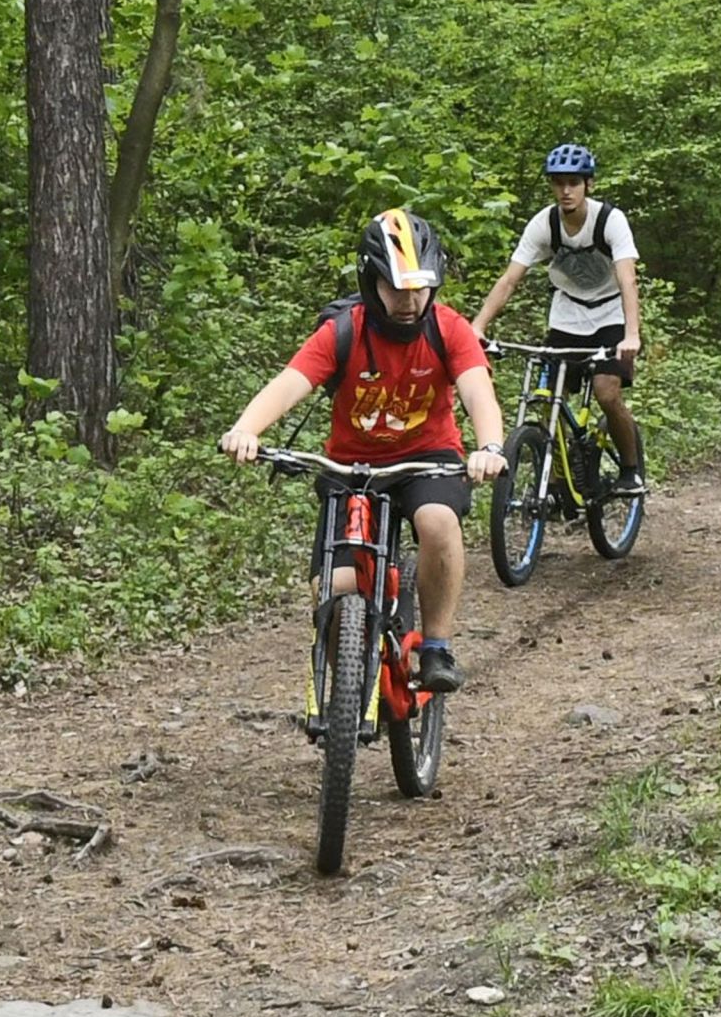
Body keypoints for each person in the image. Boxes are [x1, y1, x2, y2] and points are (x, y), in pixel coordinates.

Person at [220, 209, 506, 693]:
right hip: (350, 468)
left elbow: (478, 391)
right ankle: (352, 688)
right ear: (370, 282)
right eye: (395, 288)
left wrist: (490, 446)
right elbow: (290, 384)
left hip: (427, 457)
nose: (410, 301)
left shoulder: (448, 328)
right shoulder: (344, 332)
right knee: (333, 590)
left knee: (437, 520)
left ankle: (436, 646)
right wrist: (245, 429)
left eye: (419, 287)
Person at [469, 143, 645, 493]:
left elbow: (627, 278)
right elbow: (509, 279)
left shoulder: (610, 220)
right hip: (567, 316)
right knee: (549, 397)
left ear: (588, 185)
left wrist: (632, 334)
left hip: (610, 315)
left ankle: (630, 470)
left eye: (573, 183)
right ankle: (560, 474)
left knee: (607, 394)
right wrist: (477, 326)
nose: (566, 190)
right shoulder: (545, 224)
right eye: (558, 183)